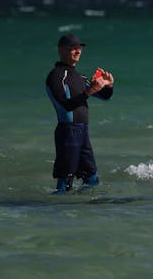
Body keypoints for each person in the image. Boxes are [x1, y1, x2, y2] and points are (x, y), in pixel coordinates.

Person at [45, 33, 114, 194]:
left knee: (92, 178)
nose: (78, 52)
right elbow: (66, 104)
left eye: (79, 48)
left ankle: (83, 212)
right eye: (72, 48)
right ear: (61, 51)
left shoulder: (79, 77)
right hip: (67, 132)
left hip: (83, 132)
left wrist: (108, 86)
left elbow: (104, 96)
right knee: (65, 180)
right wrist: (90, 91)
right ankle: (55, 210)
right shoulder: (56, 76)